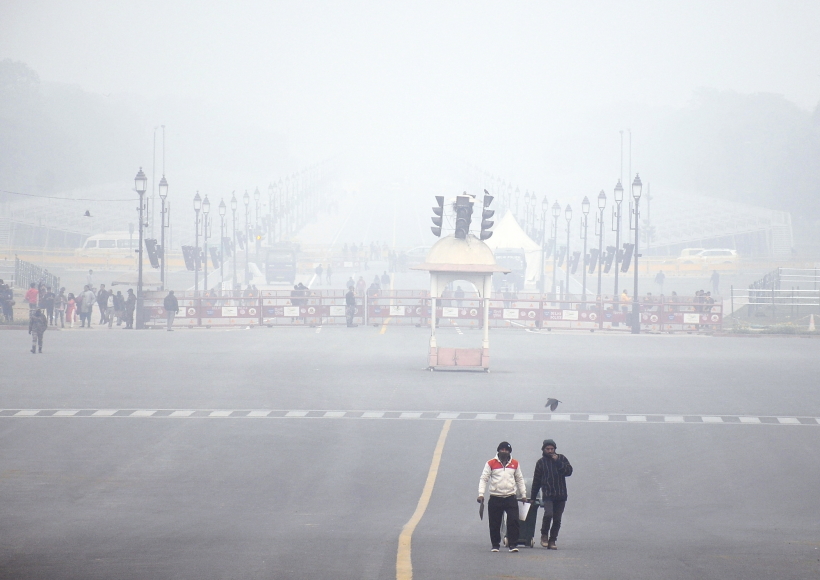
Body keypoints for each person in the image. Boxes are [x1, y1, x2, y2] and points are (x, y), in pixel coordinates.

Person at [477, 441, 526, 553]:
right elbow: (484, 479)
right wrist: (481, 494)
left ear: (509, 452)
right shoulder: (491, 463)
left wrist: (523, 494)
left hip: (510, 497)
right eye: (502, 450)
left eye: (506, 450)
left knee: (513, 521)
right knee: (494, 523)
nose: (504, 452)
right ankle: (495, 545)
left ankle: (513, 544)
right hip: (495, 497)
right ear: (498, 451)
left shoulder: (515, 463)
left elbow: (519, 479)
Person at [531, 439, 573, 550]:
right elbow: (536, 481)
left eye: (552, 449)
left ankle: (552, 540)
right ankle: (544, 535)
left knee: (557, 519)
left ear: (555, 449)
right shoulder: (541, 463)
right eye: (547, 449)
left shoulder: (562, 458)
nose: (550, 451)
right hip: (548, 494)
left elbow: (569, 471)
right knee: (548, 514)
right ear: (543, 450)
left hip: (561, 494)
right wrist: (533, 497)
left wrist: (558, 462)